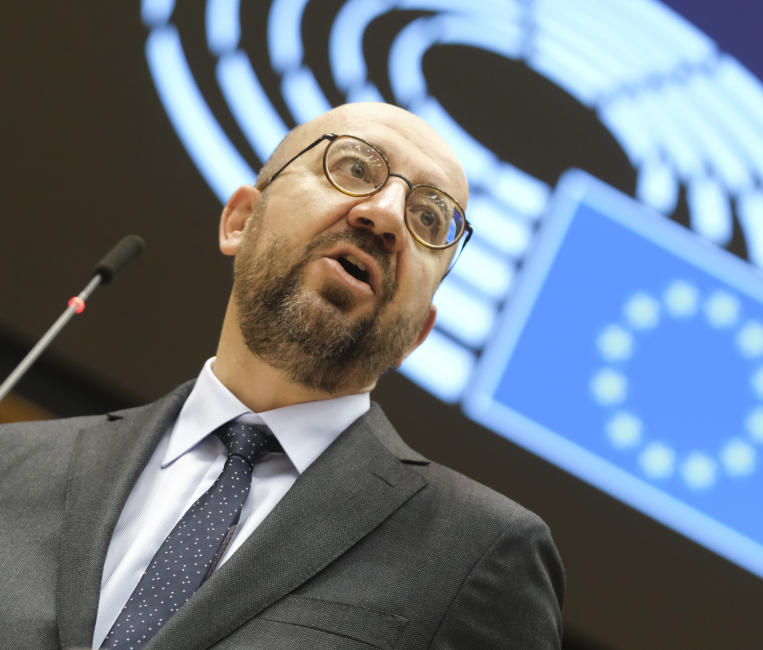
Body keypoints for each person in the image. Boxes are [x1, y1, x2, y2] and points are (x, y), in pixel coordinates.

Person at [0, 102, 564, 648]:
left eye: (429, 218)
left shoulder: (478, 553)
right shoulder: (14, 465)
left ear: (416, 335)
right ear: (241, 221)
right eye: (355, 168)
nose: (386, 214)